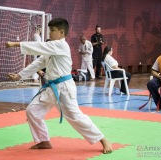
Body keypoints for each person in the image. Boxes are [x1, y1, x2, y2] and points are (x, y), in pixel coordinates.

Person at [6, 18, 112, 154]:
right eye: (49, 30)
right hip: (51, 88)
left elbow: (39, 47)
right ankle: (43, 140)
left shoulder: (61, 45)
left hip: (64, 89)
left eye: (53, 30)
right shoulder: (52, 47)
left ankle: (103, 140)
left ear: (62, 32)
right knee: (32, 111)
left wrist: (15, 44)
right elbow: (38, 63)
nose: (50, 33)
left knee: (76, 117)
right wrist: (20, 75)